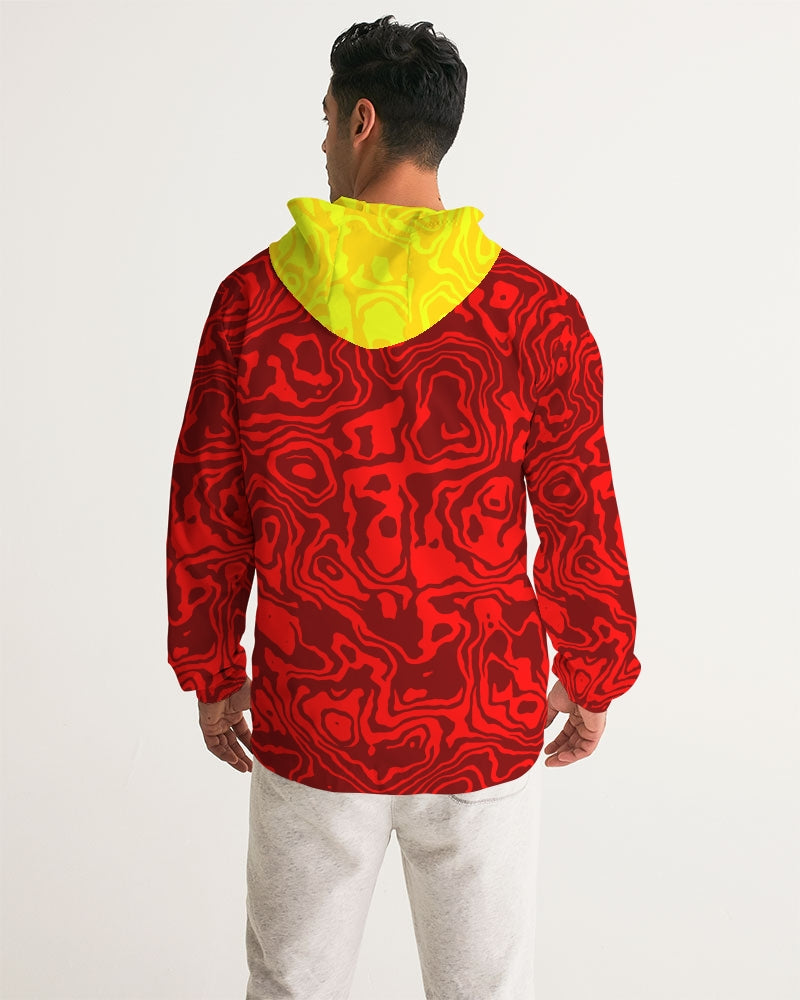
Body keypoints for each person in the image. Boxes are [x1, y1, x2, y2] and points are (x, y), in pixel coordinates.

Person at [165, 14, 641, 1000]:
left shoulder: (251, 304)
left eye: (325, 118)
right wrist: (593, 673)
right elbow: (578, 511)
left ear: (362, 121)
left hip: (313, 710)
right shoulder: (535, 314)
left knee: (291, 984)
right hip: (481, 713)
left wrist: (211, 668)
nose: (322, 141)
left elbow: (209, 505)